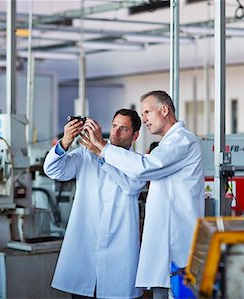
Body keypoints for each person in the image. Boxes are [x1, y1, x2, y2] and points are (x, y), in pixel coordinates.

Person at [81, 90, 204, 299]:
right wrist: (103, 153)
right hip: (166, 248)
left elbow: (144, 167)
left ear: (164, 110)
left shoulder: (183, 141)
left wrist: (103, 147)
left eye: (147, 111)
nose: (144, 118)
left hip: (179, 247)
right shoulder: (166, 144)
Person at [43, 109, 145, 299]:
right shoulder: (84, 154)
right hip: (85, 251)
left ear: (135, 135)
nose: (115, 132)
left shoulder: (137, 163)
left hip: (119, 255)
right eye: (114, 126)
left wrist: (102, 154)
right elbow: (53, 170)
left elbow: (132, 186)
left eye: (123, 129)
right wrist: (65, 142)